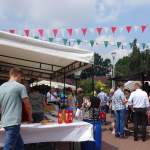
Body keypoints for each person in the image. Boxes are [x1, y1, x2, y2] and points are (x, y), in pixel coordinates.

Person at [0, 67, 32, 150]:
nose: (21, 79)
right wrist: (30, 117)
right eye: (21, 77)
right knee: (8, 147)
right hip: (13, 122)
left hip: (4, 121)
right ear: (17, 75)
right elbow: (27, 104)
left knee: (19, 146)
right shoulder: (20, 87)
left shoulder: (1, 87)